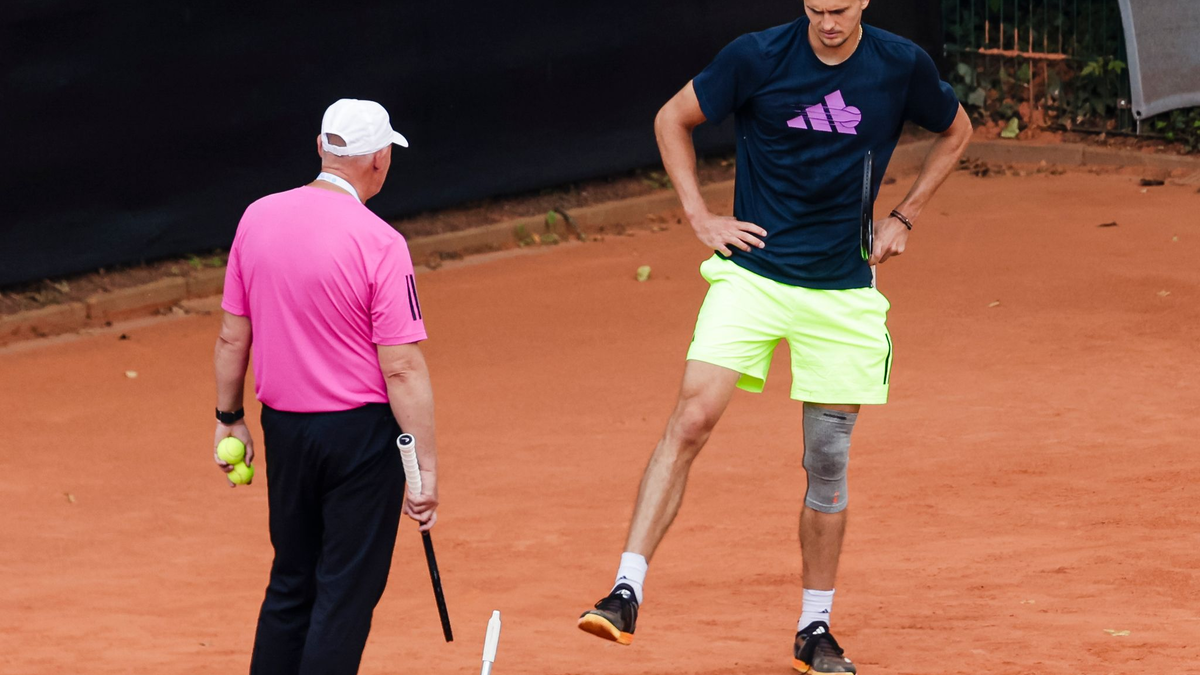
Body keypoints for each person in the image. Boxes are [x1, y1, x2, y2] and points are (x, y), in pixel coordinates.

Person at [577, 2, 972, 673]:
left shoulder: (900, 65)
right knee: (693, 417)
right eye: (816, 8)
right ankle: (625, 589)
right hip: (753, 278)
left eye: (840, 9)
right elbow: (671, 118)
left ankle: (814, 629)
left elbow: (958, 130)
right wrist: (699, 214)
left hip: (843, 291)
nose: (827, 21)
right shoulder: (756, 56)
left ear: (864, 3)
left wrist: (905, 214)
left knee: (826, 462)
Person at [212, 98, 439, 675]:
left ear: (322, 147)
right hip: (360, 440)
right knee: (343, 596)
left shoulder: (255, 217)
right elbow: (403, 368)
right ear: (380, 160)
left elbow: (232, 340)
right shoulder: (381, 242)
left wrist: (228, 417)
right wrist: (425, 471)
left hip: (285, 431)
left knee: (291, 581)